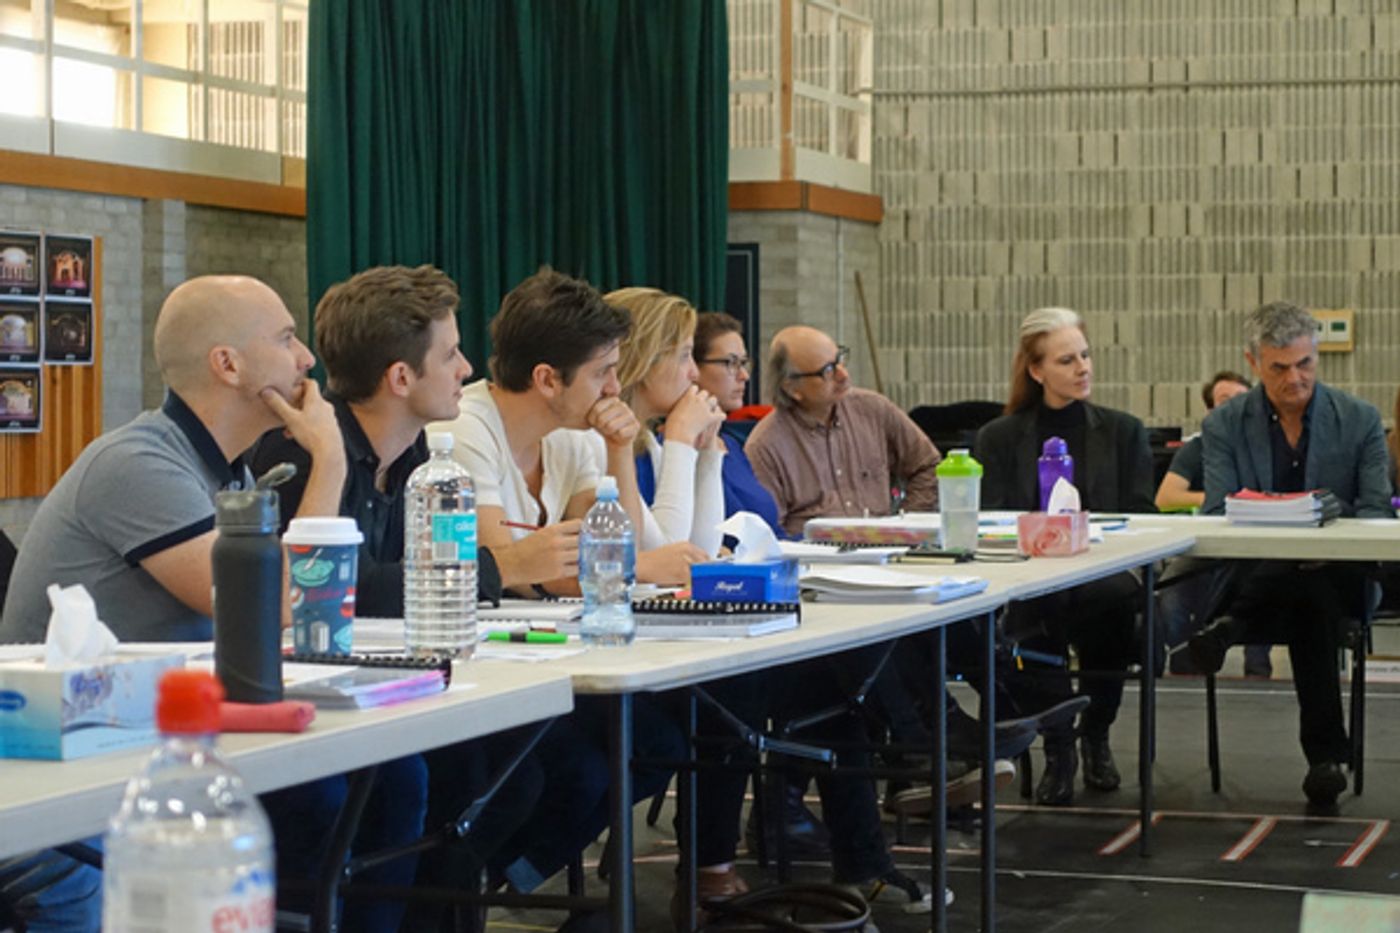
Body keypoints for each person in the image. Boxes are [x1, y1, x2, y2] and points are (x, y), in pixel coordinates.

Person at [0, 275, 417, 933]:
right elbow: (280, 603)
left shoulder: (229, 472)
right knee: (331, 795)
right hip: (62, 785)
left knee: (394, 780)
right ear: (228, 364)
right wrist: (331, 458)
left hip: (148, 743)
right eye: (286, 338)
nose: (306, 358)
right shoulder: (138, 464)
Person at [245, 265, 584, 930]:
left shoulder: (416, 458)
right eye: (450, 354)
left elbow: (406, 578)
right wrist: (503, 566)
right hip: (308, 703)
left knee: (515, 771)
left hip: (385, 682)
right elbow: (349, 585)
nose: (466, 369)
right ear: (401, 377)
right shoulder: (305, 455)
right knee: (444, 782)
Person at [434, 267, 688, 901]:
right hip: (481, 665)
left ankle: (507, 881)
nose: (615, 388)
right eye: (604, 372)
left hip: (544, 651)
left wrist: (620, 450)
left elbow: (608, 554)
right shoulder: (466, 430)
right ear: (548, 379)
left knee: (659, 743)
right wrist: (584, 569)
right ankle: (465, 889)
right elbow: (507, 569)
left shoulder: (576, 438)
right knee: (580, 769)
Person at [1191, 301, 1390, 809]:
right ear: (1253, 362)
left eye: (1305, 363)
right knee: (1307, 595)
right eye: (1279, 367)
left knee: (1314, 582)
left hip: (1340, 573)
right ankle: (1325, 760)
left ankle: (1230, 626)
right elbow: (1218, 511)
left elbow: (1374, 511)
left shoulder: (1361, 420)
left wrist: (1322, 526)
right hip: (1260, 573)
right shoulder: (1224, 425)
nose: (1295, 378)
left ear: (1317, 356)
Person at [974, 306, 1156, 806]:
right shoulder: (999, 437)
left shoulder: (1124, 431)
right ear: (1036, 371)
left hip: (1103, 568)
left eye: (1085, 356)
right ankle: (1059, 745)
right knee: (1034, 609)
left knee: (1112, 606)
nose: (1082, 368)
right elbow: (991, 517)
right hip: (1031, 572)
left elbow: (1141, 513)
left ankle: (1095, 731)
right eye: (1066, 360)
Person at [745, 325, 940, 538]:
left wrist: (905, 524)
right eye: (828, 371)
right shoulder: (766, 446)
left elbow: (928, 465)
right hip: (811, 553)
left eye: (840, 360)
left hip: (885, 547)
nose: (843, 375)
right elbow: (768, 534)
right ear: (792, 388)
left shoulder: (873, 409)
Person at [1155, 371, 1272, 678]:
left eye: (1240, 400)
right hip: (1207, 545)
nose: (1233, 408)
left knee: (1265, 579)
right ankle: (1184, 667)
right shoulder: (1197, 448)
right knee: (1173, 590)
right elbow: (1166, 498)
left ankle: (1258, 671)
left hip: (1257, 546)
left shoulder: (1270, 447)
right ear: (1210, 411)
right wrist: (1221, 498)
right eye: (1224, 401)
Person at [605, 287, 725, 554]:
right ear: (644, 362)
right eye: (684, 356)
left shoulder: (647, 443)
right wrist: (681, 437)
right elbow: (665, 550)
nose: (695, 373)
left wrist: (707, 452)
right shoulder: (599, 441)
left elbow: (701, 551)